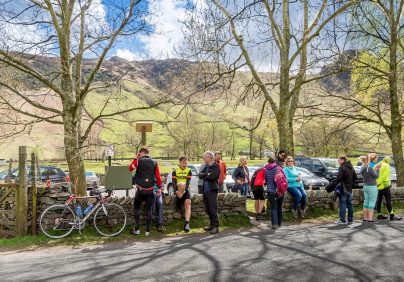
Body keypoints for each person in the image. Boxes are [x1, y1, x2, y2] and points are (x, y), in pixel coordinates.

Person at [129, 147, 163, 236]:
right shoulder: (154, 162)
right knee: (149, 210)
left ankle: (137, 229)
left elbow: (130, 168)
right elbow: (158, 177)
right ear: (148, 153)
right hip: (150, 190)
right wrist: (160, 188)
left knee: (137, 208)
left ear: (141, 153)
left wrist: (136, 158)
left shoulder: (138, 161)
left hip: (140, 190)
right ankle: (147, 230)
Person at [199, 151, 220, 234]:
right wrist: (206, 174)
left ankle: (216, 227)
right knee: (208, 209)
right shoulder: (206, 166)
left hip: (212, 190)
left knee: (213, 209)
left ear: (210, 157)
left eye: (205, 157)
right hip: (205, 191)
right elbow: (200, 175)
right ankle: (211, 225)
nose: (203, 158)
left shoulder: (216, 166)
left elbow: (212, 177)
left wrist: (206, 176)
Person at [376, 156, 402, 220]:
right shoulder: (387, 166)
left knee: (379, 200)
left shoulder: (378, 165)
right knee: (388, 200)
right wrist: (379, 182)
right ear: (388, 161)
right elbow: (385, 175)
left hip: (379, 186)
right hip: (385, 185)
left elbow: (375, 174)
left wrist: (377, 182)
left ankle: (379, 214)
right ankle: (392, 215)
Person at [172, 156, 192, 232]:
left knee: (188, 203)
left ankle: (187, 223)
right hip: (178, 189)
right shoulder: (175, 171)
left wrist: (183, 192)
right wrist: (176, 191)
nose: (185, 164)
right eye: (184, 163)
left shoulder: (189, 170)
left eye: (186, 163)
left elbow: (188, 182)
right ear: (179, 162)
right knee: (181, 184)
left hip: (186, 189)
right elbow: (173, 182)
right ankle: (178, 205)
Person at [335, 156, 357, 225]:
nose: (338, 161)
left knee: (343, 204)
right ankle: (350, 219)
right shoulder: (351, 167)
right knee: (349, 204)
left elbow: (339, 178)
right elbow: (355, 177)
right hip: (349, 188)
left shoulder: (342, 167)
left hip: (343, 188)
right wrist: (350, 183)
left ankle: (342, 220)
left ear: (342, 160)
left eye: (338, 160)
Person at [265, 157, 284, 229]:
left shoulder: (266, 169)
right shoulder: (278, 168)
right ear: (275, 162)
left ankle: (274, 224)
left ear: (268, 162)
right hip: (279, 191)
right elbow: (283, 179)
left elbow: (266, 181)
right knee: (279, 207)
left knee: (274, 207)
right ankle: (279, 223)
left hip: (270, 191)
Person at [360, 155, 379, 223]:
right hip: (372, 187)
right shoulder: (369, 168)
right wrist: (377, 169)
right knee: (371, 202)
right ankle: (370, 219)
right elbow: (376, 176)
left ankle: (365, 218)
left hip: (365, 186)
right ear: (368, 160)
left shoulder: (362, 168)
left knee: (366, 202)